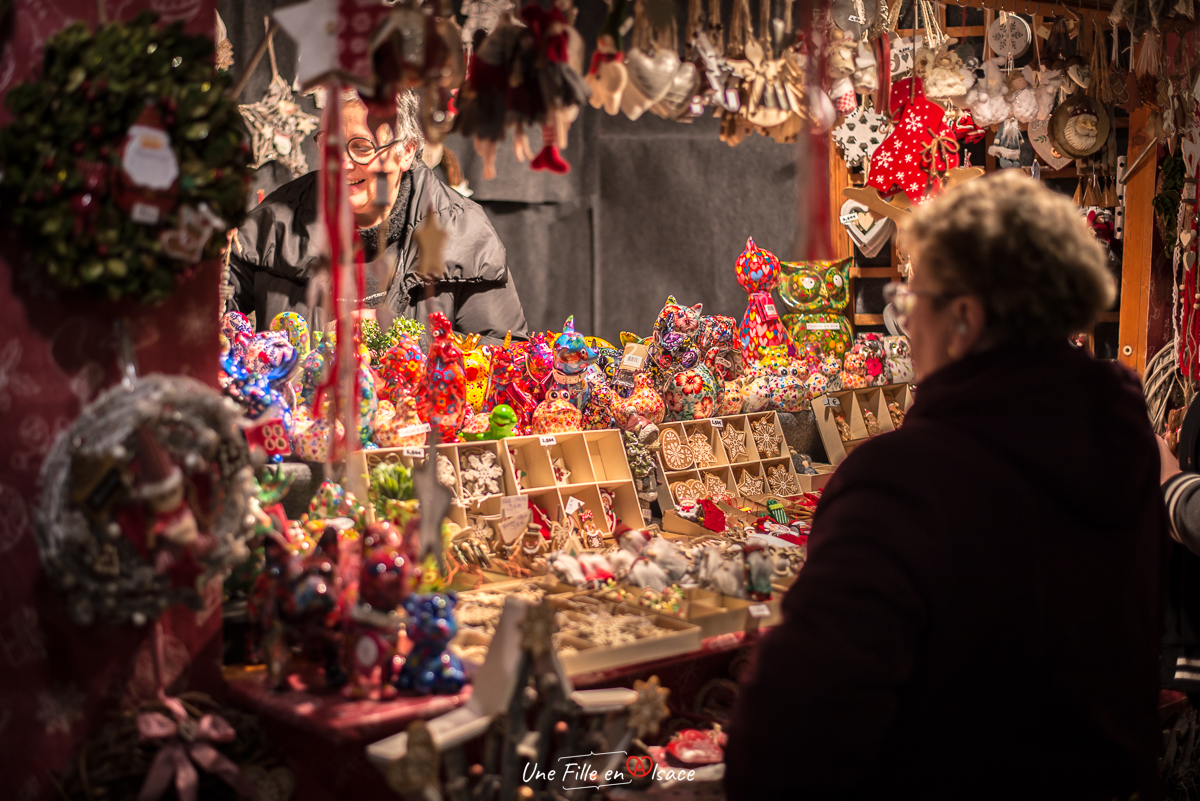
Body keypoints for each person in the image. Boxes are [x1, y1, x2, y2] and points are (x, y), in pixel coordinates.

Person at [726, 171, 1163, 799]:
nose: (907, 325)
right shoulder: (1124, 449)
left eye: (912, 302)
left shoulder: (902, 482)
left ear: (962, 318)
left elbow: (792, 735)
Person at [228, 89, 528, 344]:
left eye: (362, 147)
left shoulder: (463, 231)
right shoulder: (271, 223)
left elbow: (505, 354)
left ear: (407, 151)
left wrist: (403, 340)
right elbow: (211, 326)